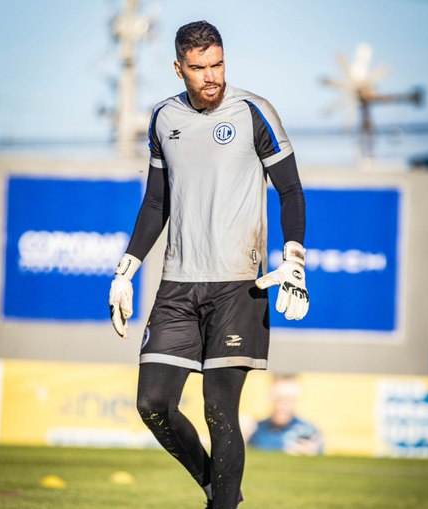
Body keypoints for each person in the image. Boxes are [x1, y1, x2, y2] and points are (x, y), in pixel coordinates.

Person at [108, 21, 309, 509]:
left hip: (240, 287)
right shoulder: (161, 118)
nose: (211, 76)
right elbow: (157, 203)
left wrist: (296, 258)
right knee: (152, 405)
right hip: (176, 287)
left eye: (217, 64)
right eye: (199, 68)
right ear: (179, 68)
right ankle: (220, 493)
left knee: (221, 411)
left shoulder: (255, 112)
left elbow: (290, 190)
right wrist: (126, 269)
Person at [247, 375, 323, 456]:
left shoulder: (307, 431)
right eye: (278, 398)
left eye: (289, 399)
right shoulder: (256, 429)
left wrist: (310, 452)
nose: (283, 405)